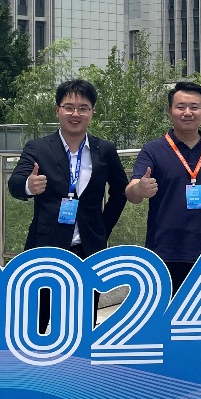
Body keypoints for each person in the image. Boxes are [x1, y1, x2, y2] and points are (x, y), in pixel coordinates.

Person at [7, 79, 128, 327]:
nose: (76, 114)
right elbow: (15, 183)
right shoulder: (38, 148)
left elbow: (120, 191)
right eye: (69, 107)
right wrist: (29, 185)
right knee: (38, 319)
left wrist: (102, 228)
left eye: (83, 108)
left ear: (92, 112)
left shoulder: (105, 149)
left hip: (88, 248)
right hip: (46, 246)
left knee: (83, 320)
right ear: (57, 110)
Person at [125, 80, 201, 292]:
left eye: (194, 107)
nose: (188, 113)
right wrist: (139, 189)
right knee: (167, 311)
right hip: (164, 252)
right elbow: (132, 192)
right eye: (181, 107)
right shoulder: (153, 150)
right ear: (170, 111)